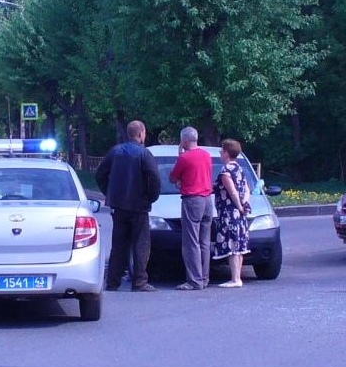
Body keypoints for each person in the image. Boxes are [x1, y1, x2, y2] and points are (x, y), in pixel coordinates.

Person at [95, 120, 161, 292]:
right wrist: (150, 197)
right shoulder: (144, 154)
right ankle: (139, 281)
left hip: (118, 206)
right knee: (141, 243)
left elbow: (100, 174)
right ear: (140, 134)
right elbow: (154, 178)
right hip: (139, 206)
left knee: (118, 244)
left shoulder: (115, 151)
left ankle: (112, 282)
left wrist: (109, 193)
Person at [169, 126, 213, 290]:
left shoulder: (184, 158)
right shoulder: (206, 155)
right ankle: (204, 277)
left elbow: (173, 178)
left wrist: (179, 153)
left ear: (184, 141)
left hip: (192, 200)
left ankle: (194, 280)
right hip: (208, 199)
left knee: (191, 241)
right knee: (204, 241)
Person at [211, 139, 251, 288]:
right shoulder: (240, 169)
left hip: (229, 213)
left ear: (227, 153)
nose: (220, 153)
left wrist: (239, 206)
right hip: (239, 214)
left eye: (222, 151)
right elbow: (247, 189)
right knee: (239, 245)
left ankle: (235, 279)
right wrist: (244, 205)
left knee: (232, 244)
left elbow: (232, 191)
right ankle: (237, 277)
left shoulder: (225, 171)